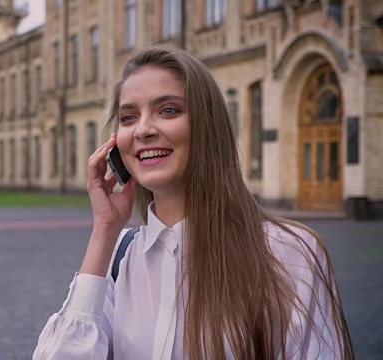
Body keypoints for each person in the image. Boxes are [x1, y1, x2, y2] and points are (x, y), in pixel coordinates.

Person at [33, 47, 354, 359]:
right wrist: (104, 231)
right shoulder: (120, 256)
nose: (144, 129)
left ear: (207, 125)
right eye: (128, 117)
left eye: (168, 110)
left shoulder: (289, 251)